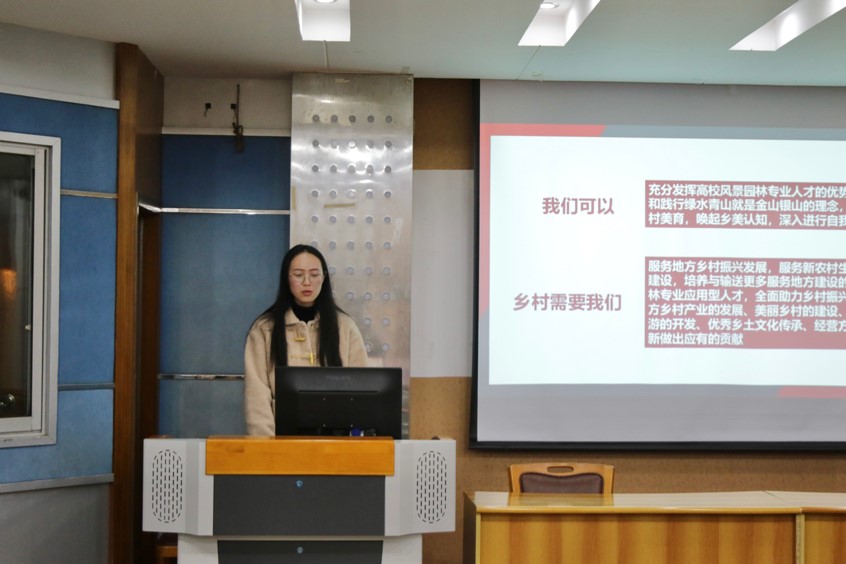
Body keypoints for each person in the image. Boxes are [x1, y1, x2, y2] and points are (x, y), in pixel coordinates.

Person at [244, 244, 368, 435]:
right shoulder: (264, 329)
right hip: (281, 440)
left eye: (314, 274)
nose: (307, 282)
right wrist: (266, 446)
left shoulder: (345, 327)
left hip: (336, 441)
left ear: (324, 278)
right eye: (298, 275)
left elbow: (362, 390)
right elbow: (257, 397)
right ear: (286, 278)